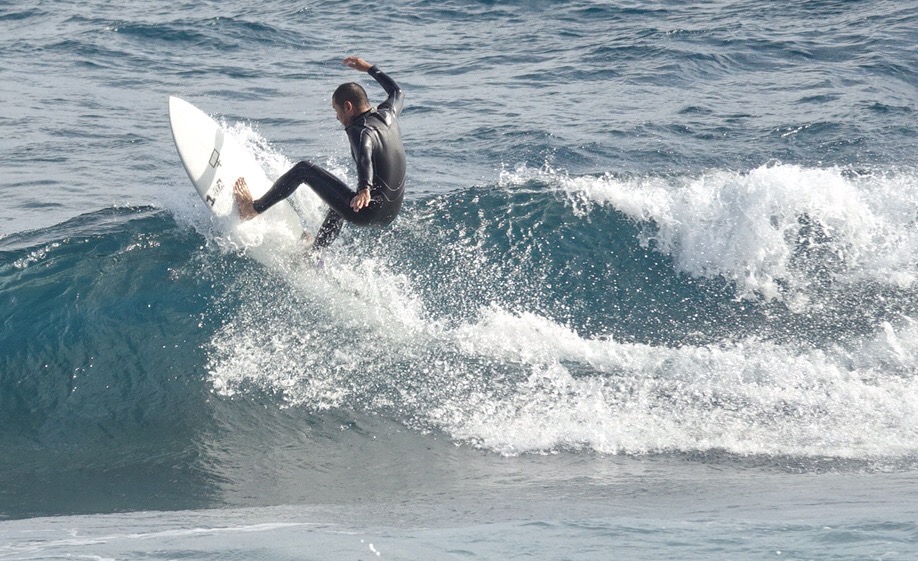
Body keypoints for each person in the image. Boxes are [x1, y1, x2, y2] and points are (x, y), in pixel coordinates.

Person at [233, 56, 406, 250]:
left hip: (369, 211)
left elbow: (364, 155)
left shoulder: (359, 130)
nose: (337, 117)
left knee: (303, 170)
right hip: (390, 213)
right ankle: (316, 253)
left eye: (336, 110)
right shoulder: (388, 113)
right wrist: (369, 68)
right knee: (340, 203)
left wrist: (364, 188)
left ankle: (251, 209)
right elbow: (397, 91)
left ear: (348, 107)